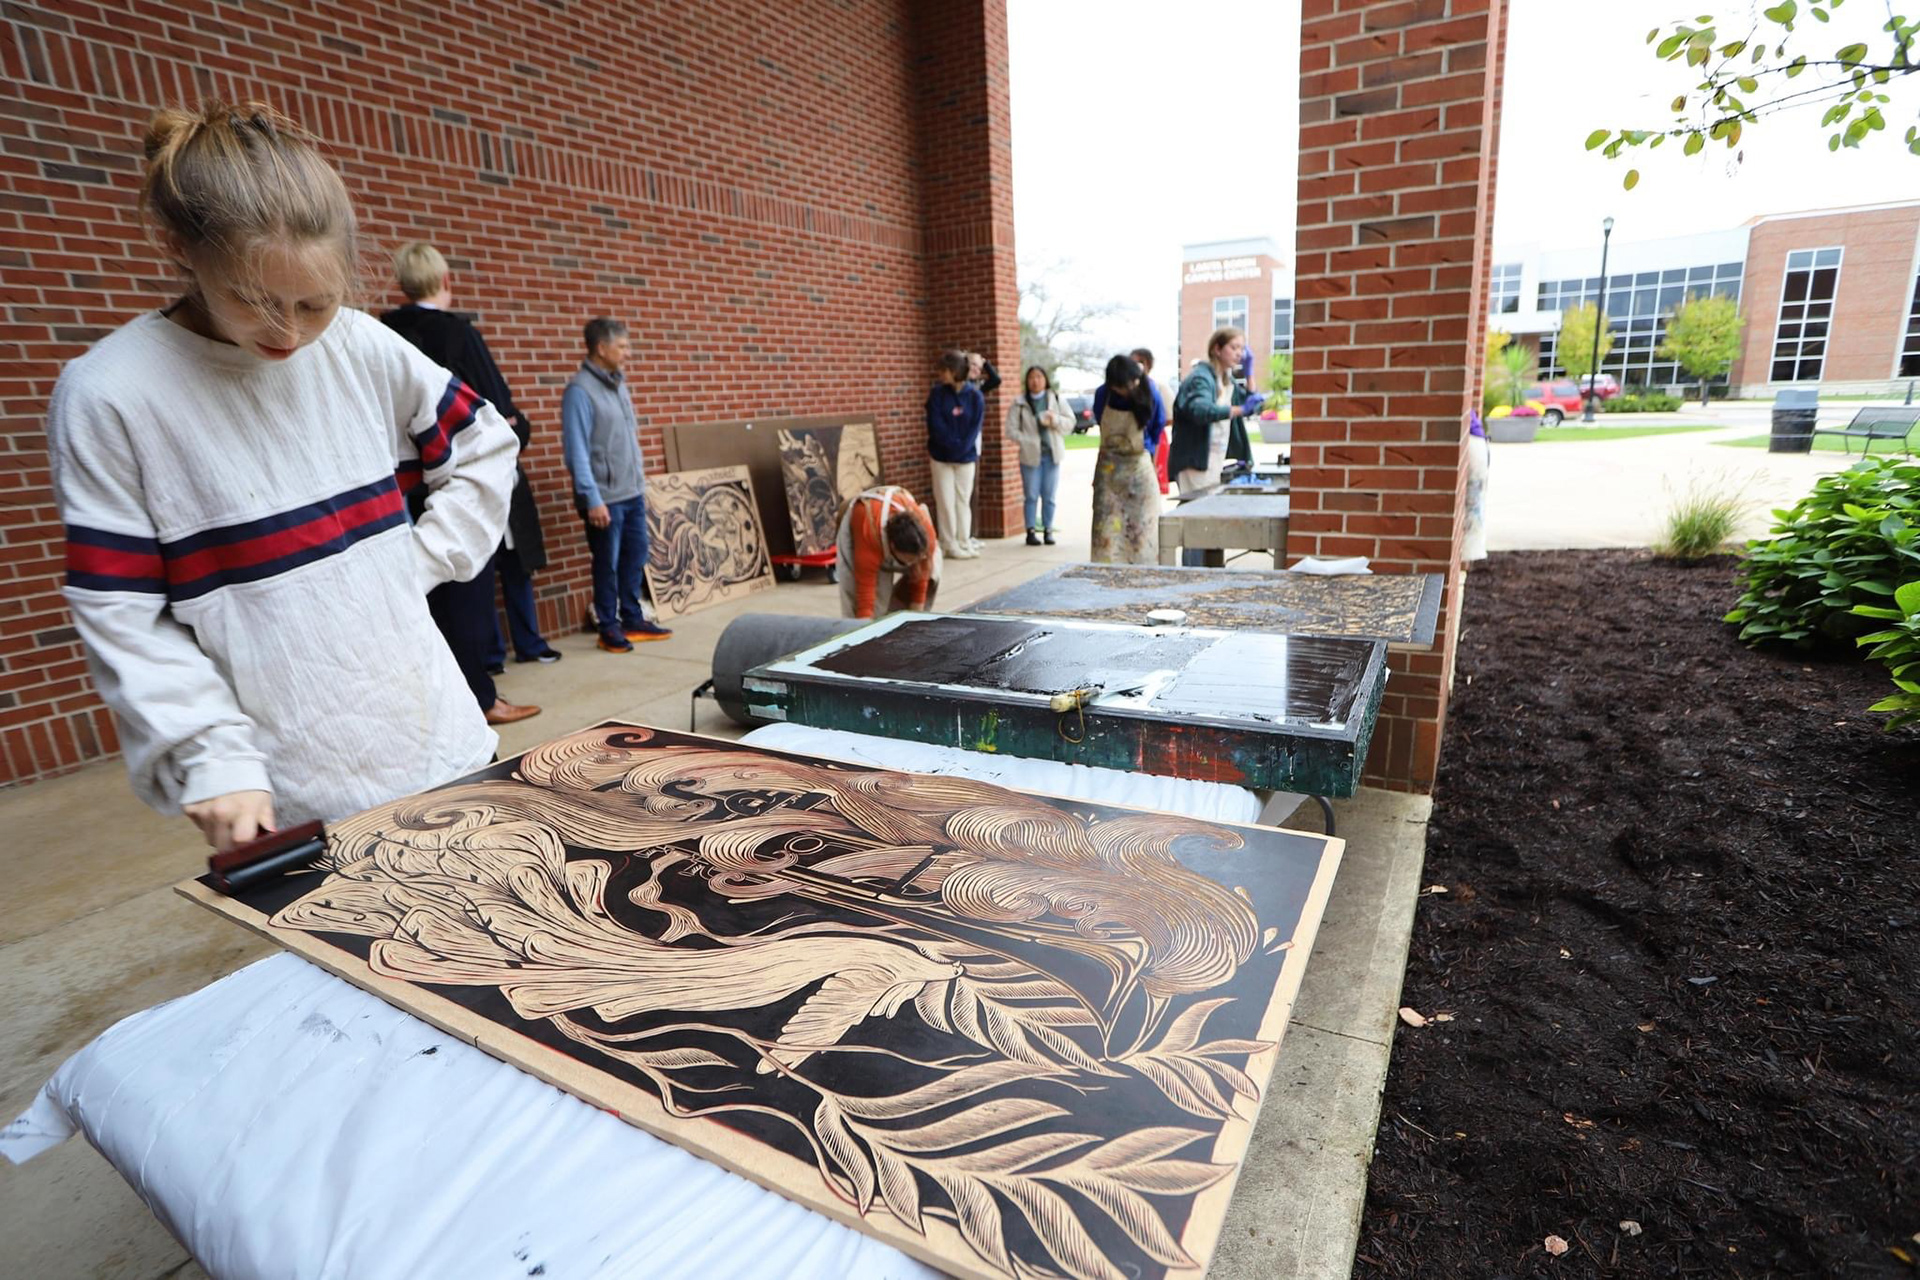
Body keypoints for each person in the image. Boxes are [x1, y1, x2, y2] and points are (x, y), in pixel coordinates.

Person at [47, 101, 517, 852]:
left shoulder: (362, 346)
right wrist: (207, 750)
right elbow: (123, 612)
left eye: (315, 303)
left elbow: (484, 442)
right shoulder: (112, 393)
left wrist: (424, 559)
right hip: (288, 784)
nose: (289, 332)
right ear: (179, 248)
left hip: (443, 741)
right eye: (255, 300)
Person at [381, 243, 549, 727]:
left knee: (422, 599)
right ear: (445, 280)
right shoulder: (457, 335)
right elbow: (494, 415)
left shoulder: (383, 333)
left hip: (396, 490)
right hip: (452, 482)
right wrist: (519, 429)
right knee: (466, 587)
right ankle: (479, 698)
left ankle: (436, 698)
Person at [561, 317, 672, 652]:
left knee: (634, 557)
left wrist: (640, 482)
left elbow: (628, 439)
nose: (628, 351)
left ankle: (632, 617)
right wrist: (592, 498)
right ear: (601, 348)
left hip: (631, 492)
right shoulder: (579, 392)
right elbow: (576, 450)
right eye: (622, 346)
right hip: (604, 499)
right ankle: (608, 626)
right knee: (606, 564)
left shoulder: (618, 384)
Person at [1170, 327, 1265, 496]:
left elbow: (1251, 406)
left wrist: (1249, 375)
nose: (1239, 354)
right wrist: (1240, 409)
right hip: (1196, 461)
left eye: (1242, 349)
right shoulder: (1201, 378)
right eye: (1234, 347)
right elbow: (1200, 410)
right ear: (1217, 349)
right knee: (1197, 513)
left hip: (1214, 459)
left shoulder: (1226, 380)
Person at [1087, 355, 1164, 564]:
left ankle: (1144, 576)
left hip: (1139, 465)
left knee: (1143, 531)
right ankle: (1105, 579)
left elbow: (1157, 431)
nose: (1128, 389)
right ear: (1112, 384)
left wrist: (1154, 464)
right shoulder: (1103, 394)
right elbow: (1099, 418)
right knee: (1107, 530)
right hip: (1109, 469)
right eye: (1121, 387)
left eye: (1131, 384)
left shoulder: (1150, 393)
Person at [836, 484, 940, 619]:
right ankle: (881, 624)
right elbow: (865, 598)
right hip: (862, 521)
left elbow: (921, 578)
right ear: (893, 547)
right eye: (909, 560)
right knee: (875, 603)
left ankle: (898, 618)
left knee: (934, 569)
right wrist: (865, 632)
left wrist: (916, 621)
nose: (914, 564)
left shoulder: (926, 536)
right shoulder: (869, 535)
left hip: (890, 509)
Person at [925, 349, 985, 560]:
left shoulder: (975, 396)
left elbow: (974, 427)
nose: (941, 375)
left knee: (962, 500)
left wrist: (961, 448)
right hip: (941, 457)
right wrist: (951, 446)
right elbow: (935, 425)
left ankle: (964, 540)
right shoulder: (937, 394)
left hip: (966, 458)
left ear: (954, 371)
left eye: (944, 370)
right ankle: (949, 543)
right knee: (945, 501)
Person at [1004, 365, 1070, 545]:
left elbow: (1070, 423)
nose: (1035, 381)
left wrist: (1054, 420)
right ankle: (1031, 530)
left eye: (1039, 377)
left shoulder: (1055, 399)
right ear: (1027, 381)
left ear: (1045, 380)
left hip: (1052, 455)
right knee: (1031, 495)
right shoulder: (1019, 403)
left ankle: (1048, 530)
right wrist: (1026, 440)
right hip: (1030, 456)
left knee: (1049, 496)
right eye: (1032, 377)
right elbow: (1010, 430)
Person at [1131, 347, 1173, 495]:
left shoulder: (1157, 387)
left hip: (1155, 438)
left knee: (1152, 484)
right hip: (1133, 440)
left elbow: (1169, 417)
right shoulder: (1128, 389)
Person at [1463, 408, 1489, 564]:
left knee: (1473, 506)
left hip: (1474, 445)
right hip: (1478, 443)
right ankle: (1470, 554)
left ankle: (1471, 553)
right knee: (1475, 504)